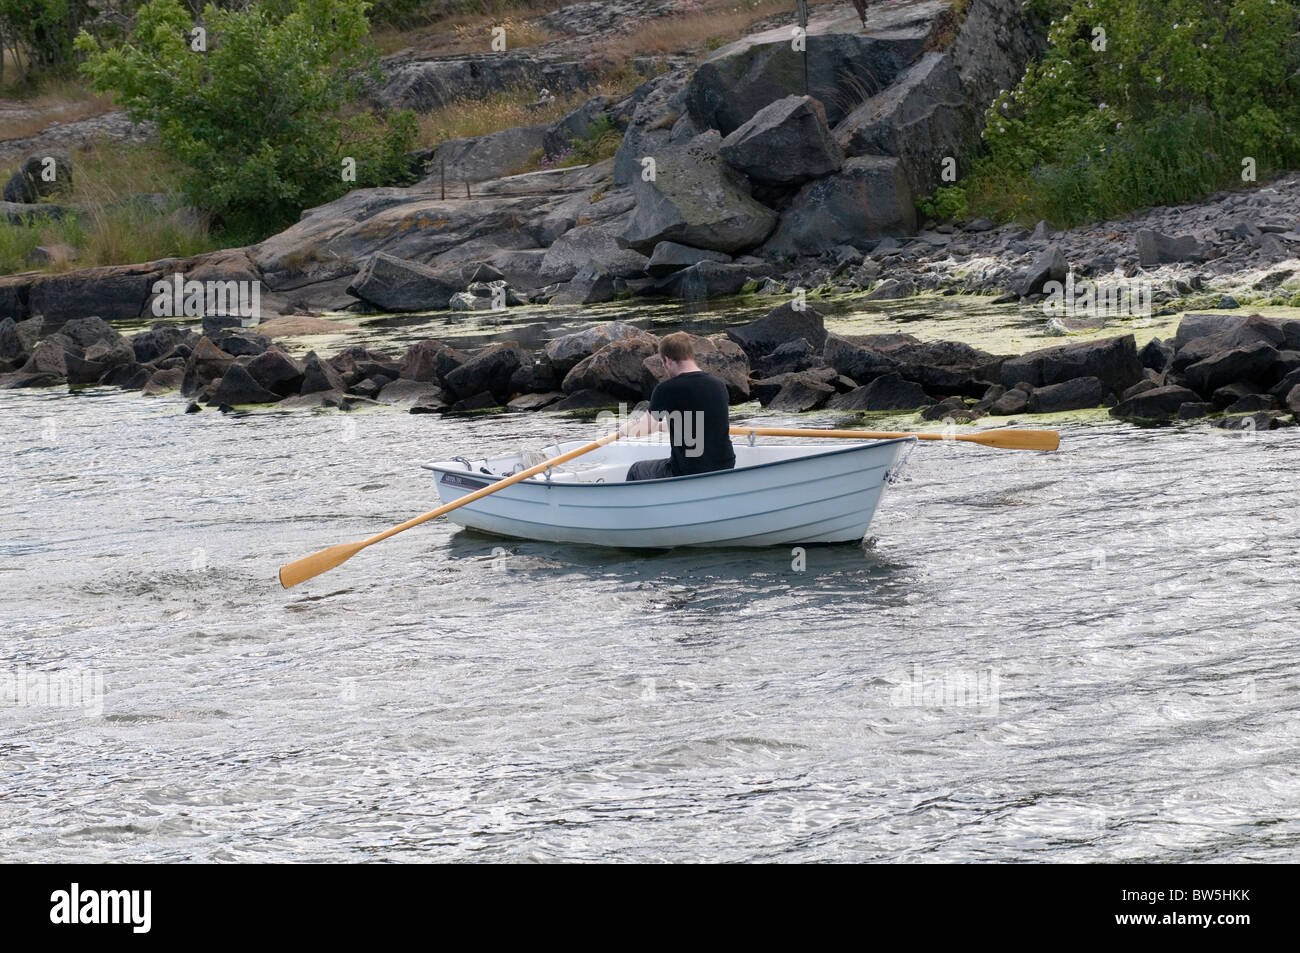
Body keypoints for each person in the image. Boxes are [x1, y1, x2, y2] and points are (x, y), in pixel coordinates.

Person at [620, 332, 736, 481]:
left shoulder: (667, 388)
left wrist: (625, 429)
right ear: (690, 355)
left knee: (636, 470)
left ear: (667, 360)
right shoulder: (718, 384)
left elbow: (643, 429)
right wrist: (662, 426)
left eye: (663, 364)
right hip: (725, 465)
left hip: (689, 470)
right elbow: (697, 421)